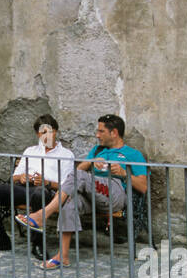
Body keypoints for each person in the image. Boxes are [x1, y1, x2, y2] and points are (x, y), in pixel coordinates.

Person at [17, 114, 148, 268]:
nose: (97, 135)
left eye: (101, 131)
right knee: (68, 200)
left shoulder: (133, 154)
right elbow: (77, 172)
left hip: (115, 192)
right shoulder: (97, 150)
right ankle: (63, 256)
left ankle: (43, 214)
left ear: (114, 133)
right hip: (93, 193)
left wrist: (123, 173)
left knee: (77, 178)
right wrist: (92, 162)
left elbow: (143, 187)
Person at [0, 114, 74, 253]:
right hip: (23, 189)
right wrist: (21, 177)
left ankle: (37, 244)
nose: (46, 136)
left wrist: (47, 182)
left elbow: (67, 184)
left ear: (55, 131)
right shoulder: (30, 151)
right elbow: (14, 177)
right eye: (42, 133)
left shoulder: (66, 155)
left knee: (40, 193)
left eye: (49, 132)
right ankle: (0, 240)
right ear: (37, 134)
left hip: (48, 192)